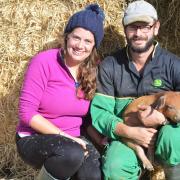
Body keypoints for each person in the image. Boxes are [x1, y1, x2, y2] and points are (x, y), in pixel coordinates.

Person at [91, 0, 180, 179]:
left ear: (156, 28)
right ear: (124, 29)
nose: (138, 33)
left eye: (145, 26)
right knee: (114, 166)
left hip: (166, 136)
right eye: (132, 27)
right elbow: (100, 113)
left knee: (174, 139)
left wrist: (162, 119)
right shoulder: (110, 66)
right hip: (127, 136)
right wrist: (130, 132)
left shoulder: (173, 64)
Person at [16, 4, 105, 180]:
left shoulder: (94, 69)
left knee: (93, 173)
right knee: (71, 154)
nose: (80, 45)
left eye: (88, 41)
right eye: (76, 38)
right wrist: (67, 138)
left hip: (75, 139)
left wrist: (100, 140)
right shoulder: (45, 61)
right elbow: (26, 113)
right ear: (67, 37)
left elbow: (86, 117)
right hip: (34, 137)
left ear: (94, 45)